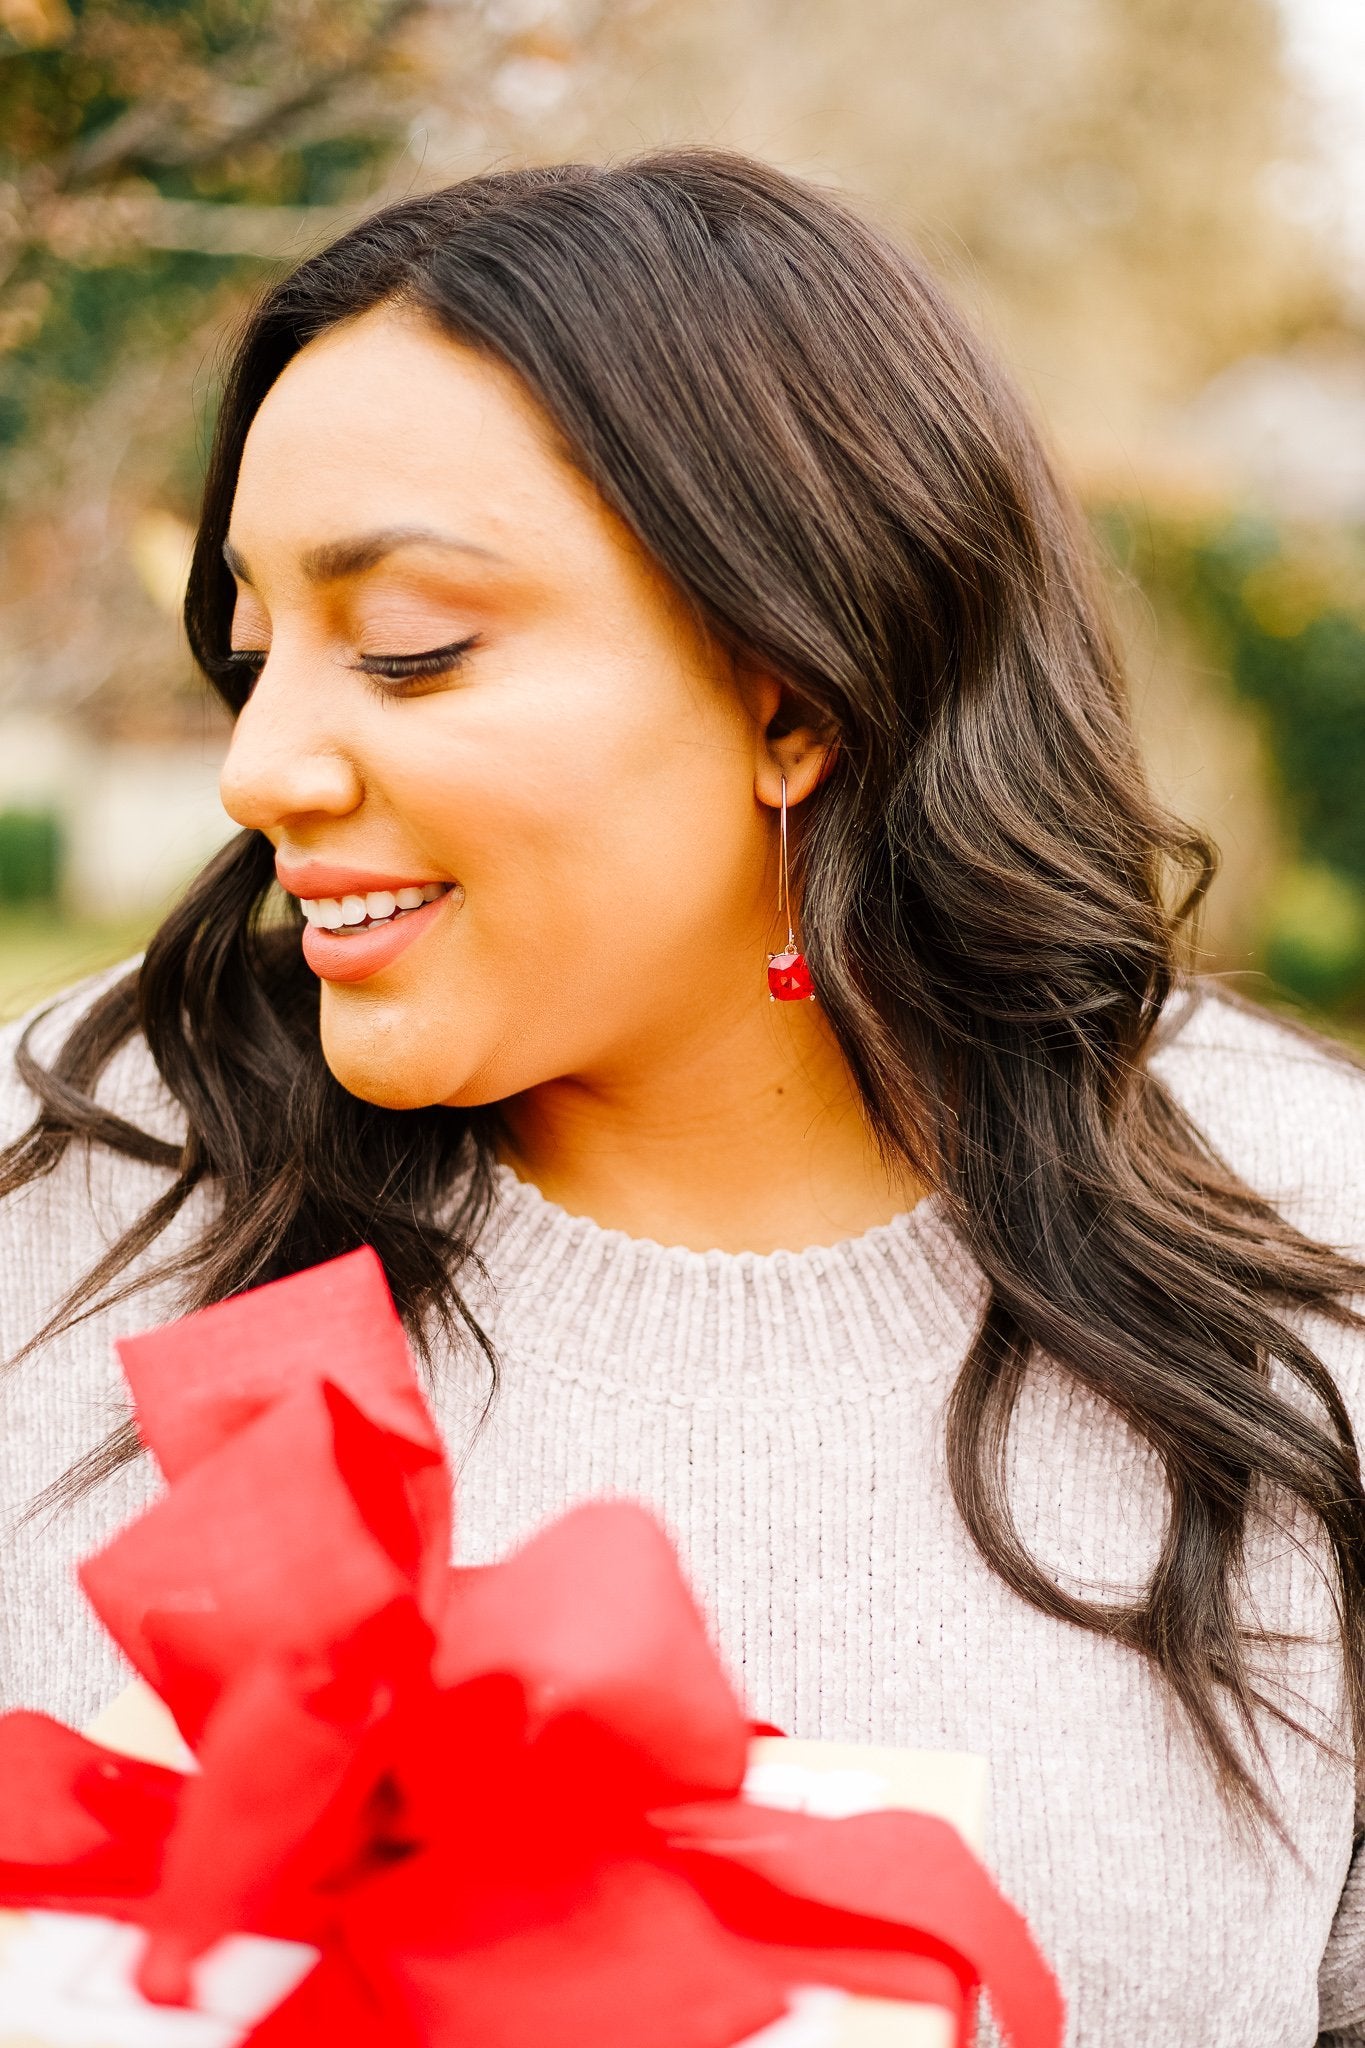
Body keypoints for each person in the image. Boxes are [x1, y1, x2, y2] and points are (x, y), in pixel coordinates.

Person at [1, 149, 1363, 2046]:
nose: (262, 762)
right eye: (252, 649)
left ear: (793, 699)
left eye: (407, 649)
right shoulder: (54, 1191)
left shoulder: (1317, 1248)